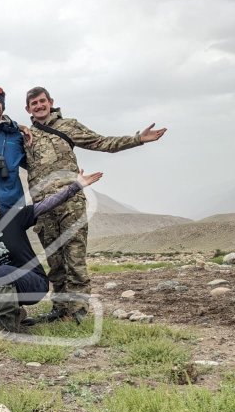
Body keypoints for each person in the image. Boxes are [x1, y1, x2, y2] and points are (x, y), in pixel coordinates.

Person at [23, 86, 167, 324]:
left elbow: (101, 142)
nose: (38, 106)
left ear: (50, 102)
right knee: (55, 262)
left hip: (71, 204)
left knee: (75, 259)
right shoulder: (26, 134)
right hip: (44, 208)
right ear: (28, 109)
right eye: (33, 104)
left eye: (42, 101)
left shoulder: (69, 126)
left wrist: (137, 139)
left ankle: (78, 311)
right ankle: (60, 309)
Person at [0, 169, 102, 332]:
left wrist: (75, 186)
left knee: (3, 270)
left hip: (34, 284)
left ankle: (8, 327)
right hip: (5, 285)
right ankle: (17, 314)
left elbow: (47, 204)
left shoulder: (12, 217)